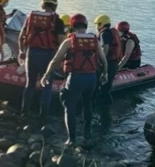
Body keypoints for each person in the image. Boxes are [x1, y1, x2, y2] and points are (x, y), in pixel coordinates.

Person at [41, 14, 108, 147]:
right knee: (87, 103)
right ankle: (87, 134)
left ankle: (71, 139)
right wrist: (105, 74)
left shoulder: (69, 41)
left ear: (72, 26)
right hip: (92, 78)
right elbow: (103, 60)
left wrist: (46, 74)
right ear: (85, 25)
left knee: (69, 105)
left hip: (76, 78)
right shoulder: (94, 40)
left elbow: (56, 60)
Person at [18, 0, 65, 121]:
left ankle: (24, 113)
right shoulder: (57, 21)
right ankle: (43, 116)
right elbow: (61, 42)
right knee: (47, 86)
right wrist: (61, 59)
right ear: (55, 6)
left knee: (30, 84)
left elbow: (21, 36)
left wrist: (21, 51)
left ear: (42, 4)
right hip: (47, 56)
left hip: (31, 53)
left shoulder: (31, 18)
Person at [94, 14, 122, 105]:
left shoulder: (104, 34)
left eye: (97, 24)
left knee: (104, 89)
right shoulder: (112, 32)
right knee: (106, 89)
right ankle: (107, 109)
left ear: (101, 24)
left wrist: (100, 62)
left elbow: (105, 48)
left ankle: (105, 111)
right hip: (113, 63)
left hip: (108, 64)